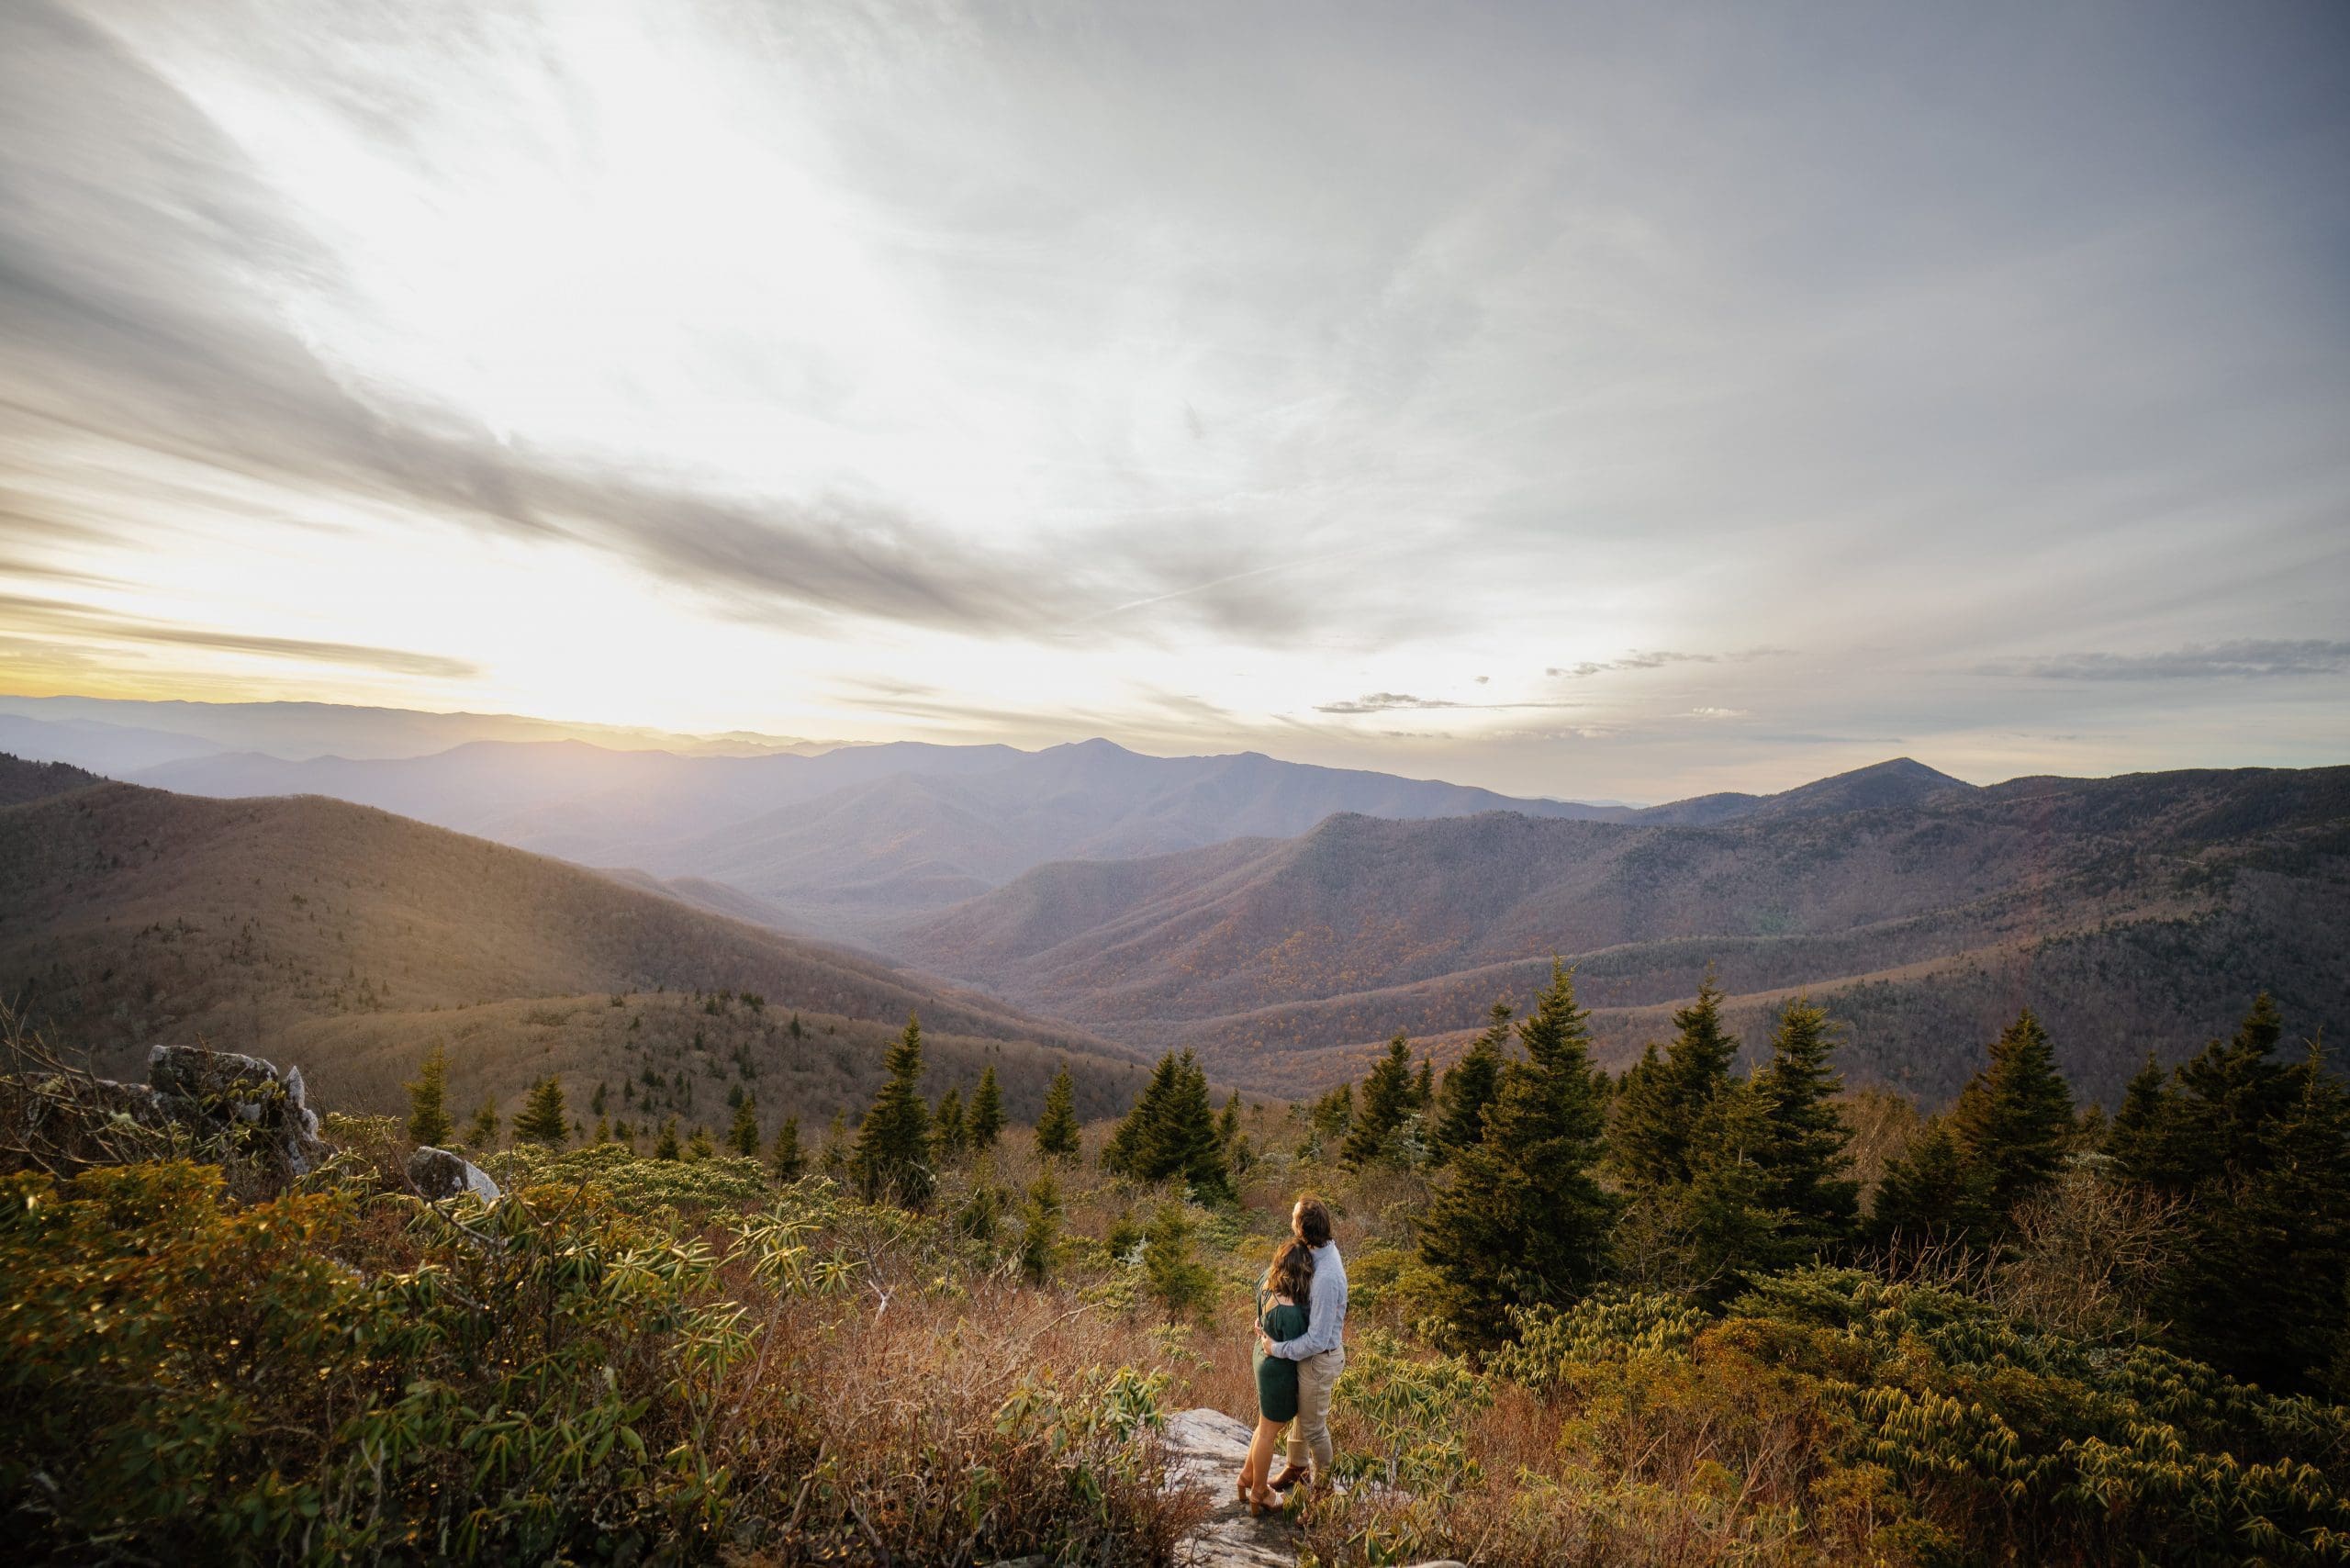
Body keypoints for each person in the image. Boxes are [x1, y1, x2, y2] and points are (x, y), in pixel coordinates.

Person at [1257, 1193, 1346, 1492]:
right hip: (1312, 1354)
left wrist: (1276, 1348)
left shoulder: (1326, 1276)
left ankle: (1323, 1490)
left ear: (1304, 1230)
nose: (1290, 1223)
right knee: (1303, 1415)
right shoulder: (1318, 1254)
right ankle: (1296, 1467)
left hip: (1320, 1358)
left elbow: (1317, 1339)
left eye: (1294, 1219)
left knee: (1314, 1427)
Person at [1237, 1238, 1314, 1513]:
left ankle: (1247, 1476)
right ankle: (1259, 1492)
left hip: (1261, 1354)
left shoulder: (1265, 1280)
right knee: (1269, 1433)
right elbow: (1298, 1349)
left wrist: (1261, 1323)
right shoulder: (1291, 1312)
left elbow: (1259, 1313)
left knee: (1264, 1426)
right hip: (1278, 1371)